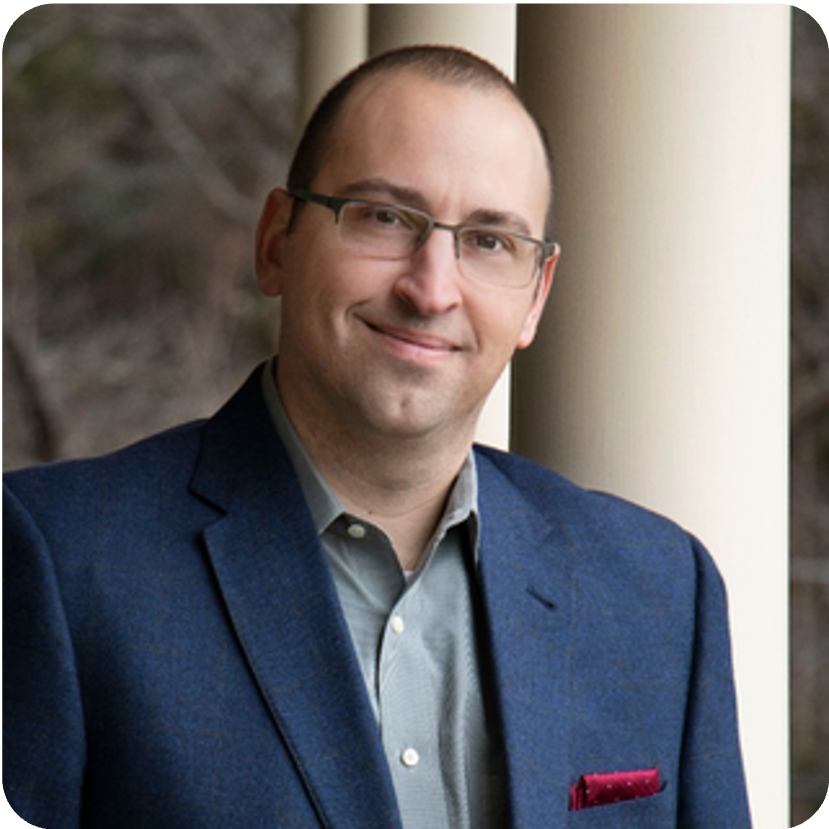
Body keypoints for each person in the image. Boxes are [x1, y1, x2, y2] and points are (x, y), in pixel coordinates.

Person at [2, 45, 750, 829]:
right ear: (275, 241)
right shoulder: (58, 563)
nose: (430, 288)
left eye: (489, 240)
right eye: (385, 218)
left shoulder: (659, 590)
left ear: (536, 296)